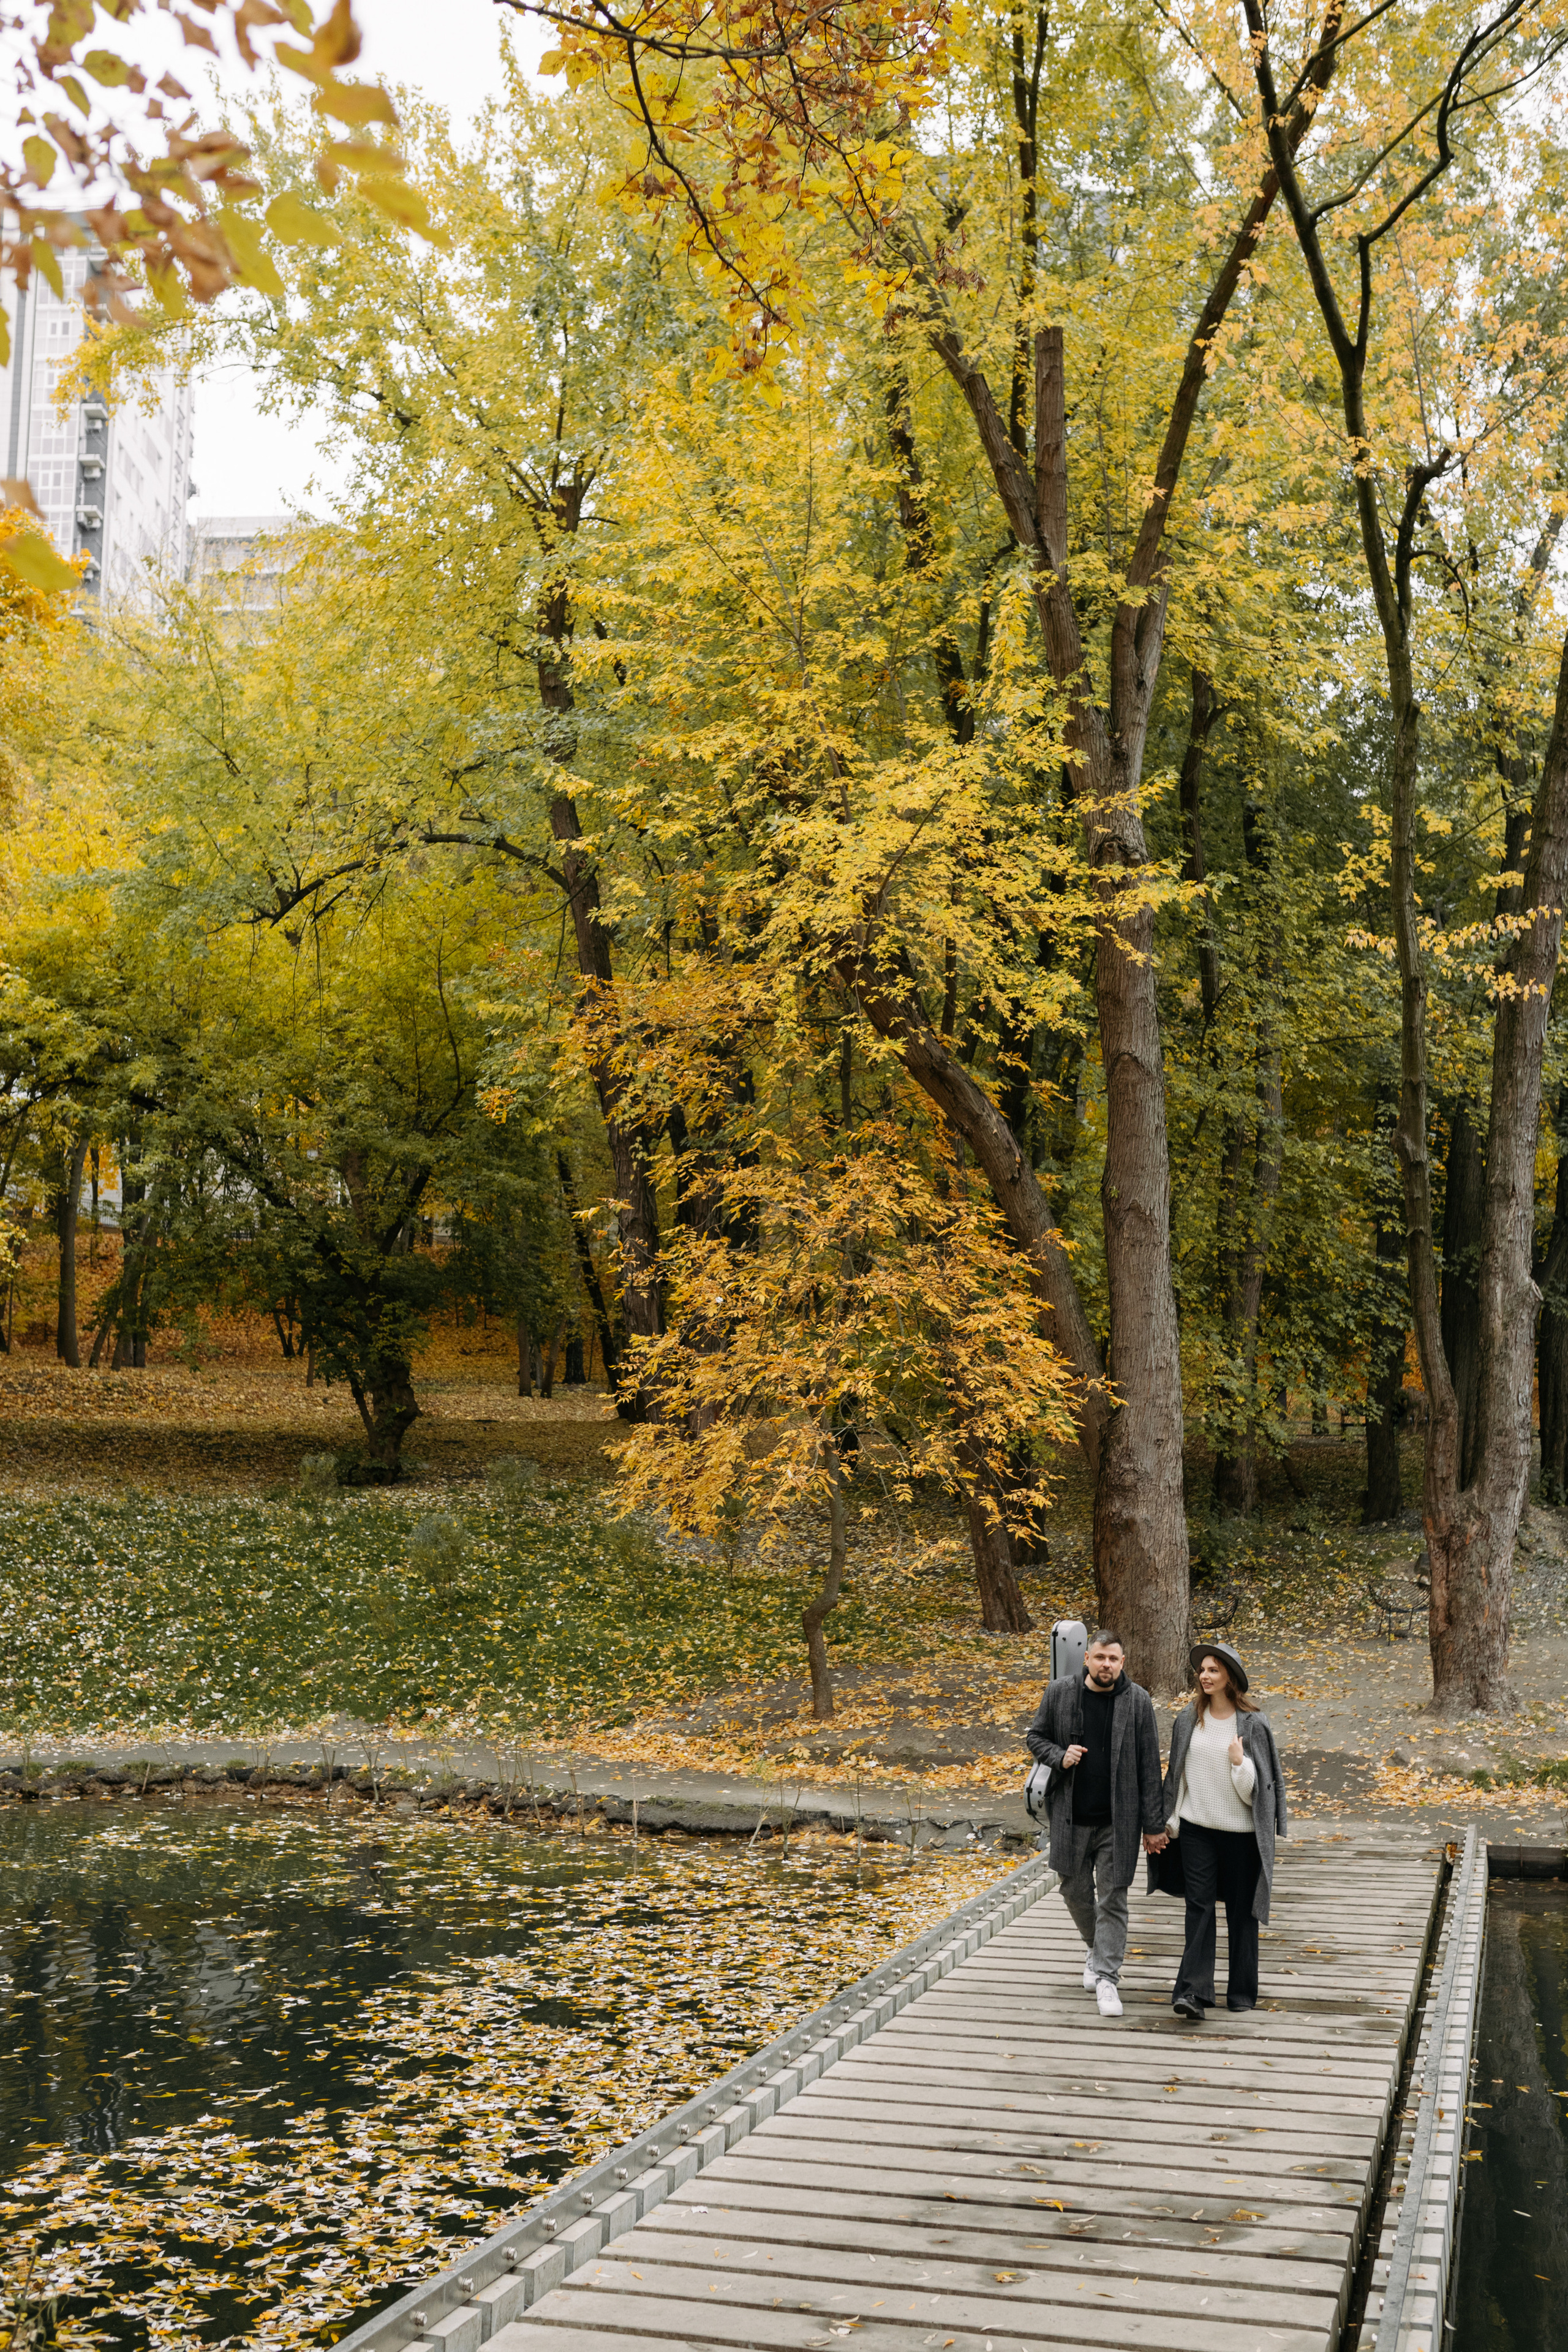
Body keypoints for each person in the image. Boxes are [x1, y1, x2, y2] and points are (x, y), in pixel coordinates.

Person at [1025, 1628, 1167, 2018]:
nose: (1107, 1665)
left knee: (1114, 1898)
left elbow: (1149, 1768)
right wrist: (1059, 1754)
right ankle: (1094, 1947)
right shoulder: (1060, 1693)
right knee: (1073, 1891)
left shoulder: (1137, 1702)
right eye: (1100, 1657)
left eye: (1114, 1659)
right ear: (1087, 1658)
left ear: (1123, 1663)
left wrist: (1153, 1825)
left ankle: (1107, 1978)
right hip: (1070, 1818)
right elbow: (1035, 1737)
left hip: (1118, 1822)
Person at [1155, 1640, 1287, 2021]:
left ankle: (1242, 1991)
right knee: (1199, 1908)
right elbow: (1177, 1775)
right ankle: (1193, 1993)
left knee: (1242, 1913)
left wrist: (1239, 1764)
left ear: (1230, 1676)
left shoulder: (1253, 1723)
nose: (1205, 1676)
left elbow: (1258, 1793)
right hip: (1198, 1830)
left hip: (1242, 1835)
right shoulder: (1187, 1719)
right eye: (1203, 1670)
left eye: (1214, 1670)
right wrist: (1172, 1820)